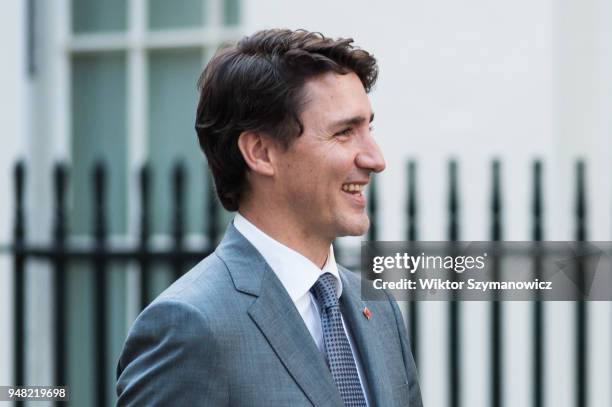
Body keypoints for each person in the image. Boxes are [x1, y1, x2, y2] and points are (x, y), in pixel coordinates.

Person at [116, 28, 422, 406]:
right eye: (344, 133)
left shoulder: (379, 309)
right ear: (260, 152)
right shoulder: (192, 325)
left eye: (368, 129)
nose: (375, 159)